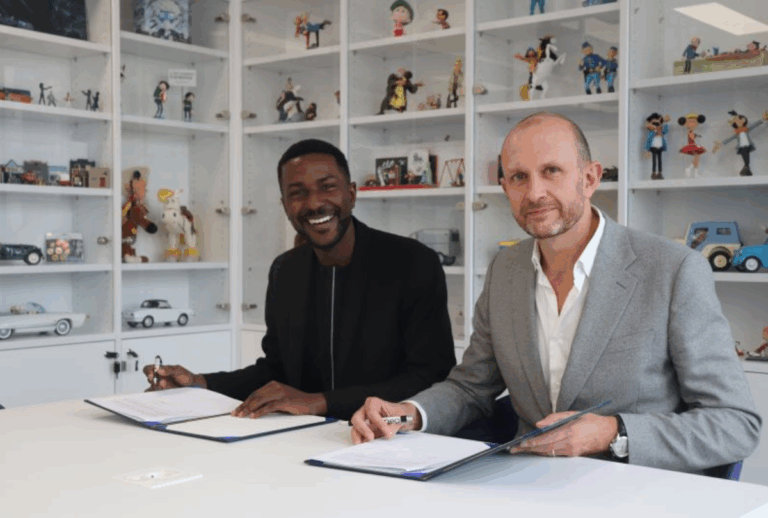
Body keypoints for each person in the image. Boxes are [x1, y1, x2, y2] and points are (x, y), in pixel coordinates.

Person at [350, 112, 761, 475]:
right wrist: (408, 413)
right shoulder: (505, 270)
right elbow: (471, 388)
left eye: (551, 171)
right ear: (504, 187)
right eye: (519, 177)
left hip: (636, 492)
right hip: (529, 487)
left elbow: (735, 423)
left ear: (590, 178)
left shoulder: (673, 270)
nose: (534, 193)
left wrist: (613, 432)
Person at [143, 139, 456, 420]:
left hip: (389, 440)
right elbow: (276, 371)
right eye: (298, 194)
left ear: (351, 194)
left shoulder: (413, 263)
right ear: (285, 206)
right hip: (302, 439)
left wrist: (320, 403)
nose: (314, 203)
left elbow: (431, 377)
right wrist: (200, 383)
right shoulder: (285, 271)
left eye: (327, 187)